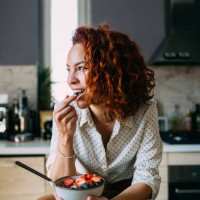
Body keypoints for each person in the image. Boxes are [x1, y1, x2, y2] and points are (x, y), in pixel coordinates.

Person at [38, 24, 163, 200]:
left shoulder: (145, 110)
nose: (70, 80)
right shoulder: (66, 114)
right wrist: (66, 135)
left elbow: (147, 178)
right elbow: (59, 185)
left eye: (81, 68)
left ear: (111, 70)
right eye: (69, 69)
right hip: (81, 193)